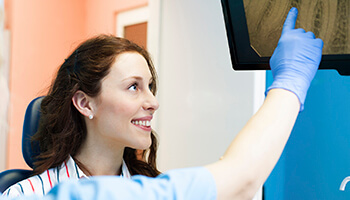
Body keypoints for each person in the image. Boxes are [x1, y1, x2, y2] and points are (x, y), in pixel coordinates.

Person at [1, 7, 323, 199]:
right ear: (85, 103)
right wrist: (290, 82)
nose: (153, 102)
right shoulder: (26, 195)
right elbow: (241, 180)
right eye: (133, 87)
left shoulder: (151, 187)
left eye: (151, 87)